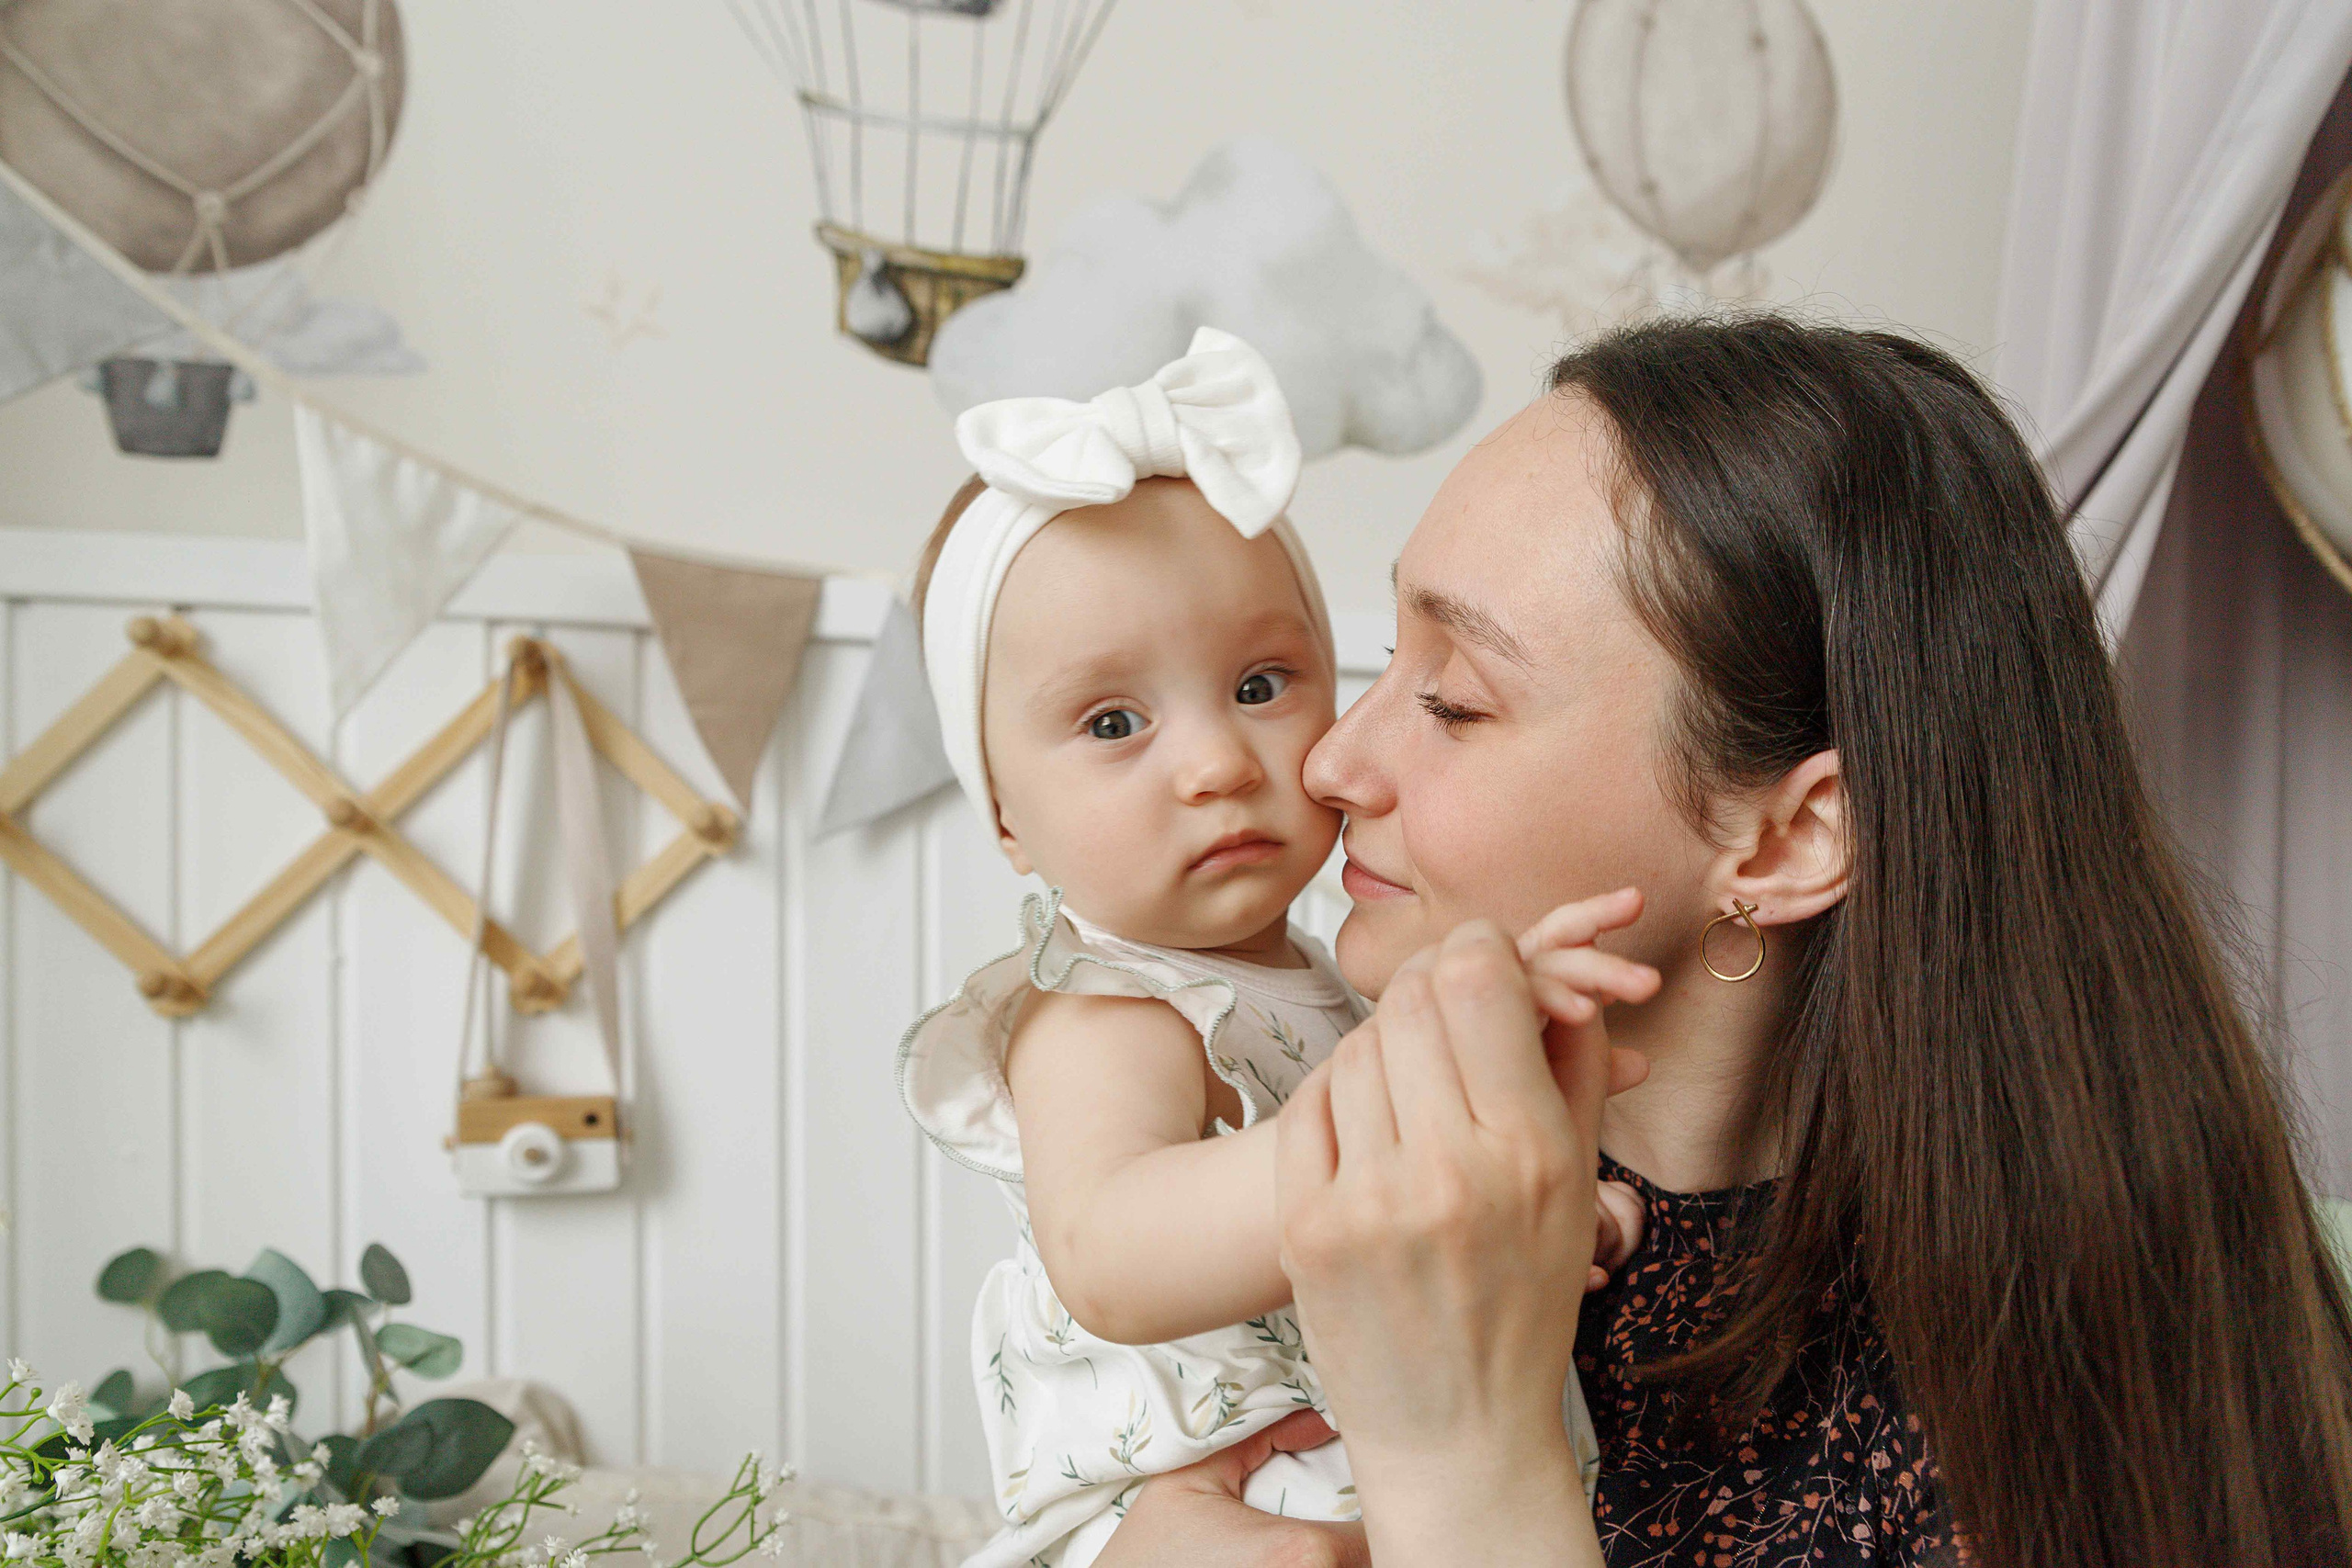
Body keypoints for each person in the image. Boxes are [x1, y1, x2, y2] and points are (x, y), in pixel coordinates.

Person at [1095, 314, 2352, 1567]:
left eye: (1454, 700)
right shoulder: (1370, 1163)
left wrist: (1461, 1469)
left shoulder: (2044, 1408)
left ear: (1788, 841)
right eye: (1384, 659)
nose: (1330, 764)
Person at [896, 328, 1645, 1568]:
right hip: (1202, 1498)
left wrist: (1552, 1202)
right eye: (1115, 721)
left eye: (1260, 686)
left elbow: (1438, 1240)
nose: (1216, 765)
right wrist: (1399, 1122)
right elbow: (1111, 1255)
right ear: (1006, 820)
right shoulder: (1106, 1012)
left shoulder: (1325, 978)